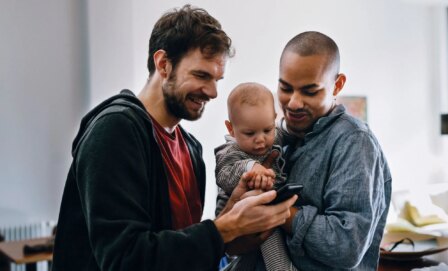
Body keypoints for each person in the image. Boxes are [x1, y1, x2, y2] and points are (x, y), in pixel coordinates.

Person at [52, 5, 297, 271]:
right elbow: (124, 260)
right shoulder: (115, 130)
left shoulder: (191, 150)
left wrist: (232, 220)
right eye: (201, 75)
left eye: (217, 79)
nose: (213, 92)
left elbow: (179, 251)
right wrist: (226, 228)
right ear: (163, 64)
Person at [277, 31, 392, 270]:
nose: (294, 103)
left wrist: (277, 212)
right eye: (286, 88)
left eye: (310, 91)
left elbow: (346, 246)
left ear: (337, 85)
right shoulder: (276, 136)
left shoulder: (355, 142)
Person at [215, 82, 297, 271]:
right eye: (250, 133)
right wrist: (251, 167)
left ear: (274, 119)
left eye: (267, 130)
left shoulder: (274, 135)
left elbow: (290, 130)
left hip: (265, 206)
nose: (260, 139)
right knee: (267, 229)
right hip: (235, 215)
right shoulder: (229, 150)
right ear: (231, 129)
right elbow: (224, 174)